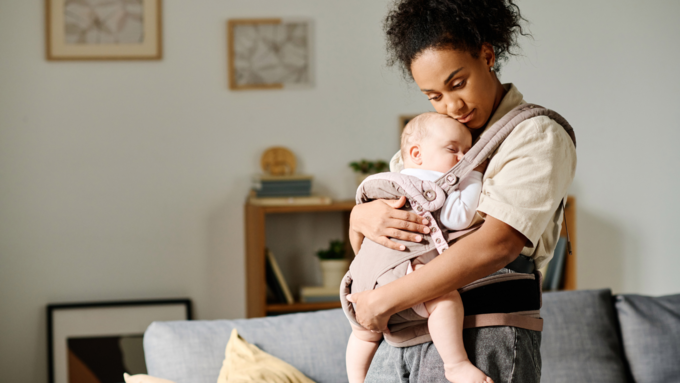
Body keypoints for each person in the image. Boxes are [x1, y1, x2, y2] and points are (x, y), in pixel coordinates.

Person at [345, 0, 577, 382]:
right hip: (403, 333)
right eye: (434, 96)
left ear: (487, 55)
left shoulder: (535, 134)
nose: (452, 106)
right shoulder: (437, 137)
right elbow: (386, 221)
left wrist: (382, 301)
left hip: (482, 333)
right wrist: (360, 216)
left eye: (457, 83)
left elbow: (498, 244)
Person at [346, 112, 491, 383]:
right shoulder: (431, 185)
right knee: (445, 300)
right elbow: (457, 217)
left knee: (362, 335)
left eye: (468, 153)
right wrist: (473, 177)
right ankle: (456, 364)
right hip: (405, 273)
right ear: (416, 153)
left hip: (361, 282)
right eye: (453, 150)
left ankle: (355, 379)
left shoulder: (383, 183)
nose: (463, 160)